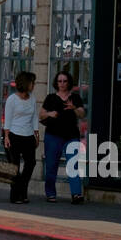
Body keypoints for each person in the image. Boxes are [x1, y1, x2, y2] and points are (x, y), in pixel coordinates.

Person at [41, 70, 86, 204]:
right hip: (53, 136)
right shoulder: (50, 98)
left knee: (73, 165)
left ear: (69, 82)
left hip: (71, 136)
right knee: (51, 166)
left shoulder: (75, 98)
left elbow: (82, 114)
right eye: (59, 81)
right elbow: (41, 115)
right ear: (56, 82)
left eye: (64, 81)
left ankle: (76, 194)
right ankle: (50, 194)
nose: (62, 84)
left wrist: (73, 108)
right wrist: (50, 114)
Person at [2, 71, 40, 204]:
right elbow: (7, 119)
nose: (33, 85)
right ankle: (15, 195)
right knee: (15, 166)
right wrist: (6, 137)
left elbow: (34, 116)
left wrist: (36, 134)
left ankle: (22, 190)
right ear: (26, 83)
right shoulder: (12, 99)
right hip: (13, 135)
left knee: (31, 163)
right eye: (32, 82)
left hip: (28, 135)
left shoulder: (32, 98)